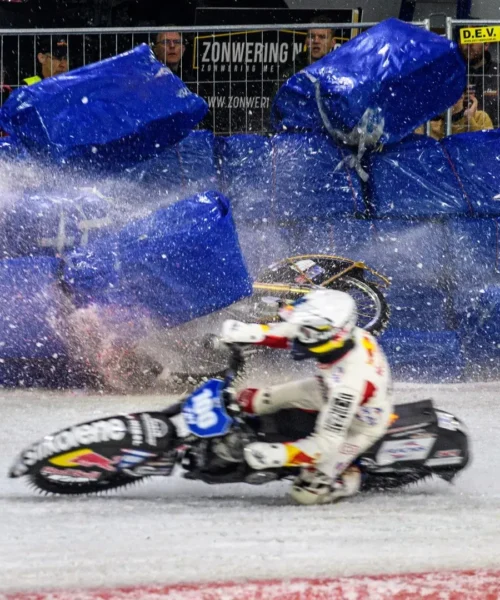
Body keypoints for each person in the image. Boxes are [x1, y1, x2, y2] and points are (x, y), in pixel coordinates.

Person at [221, 289, 392, 505]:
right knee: (251, 400)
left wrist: (280, 454)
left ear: (333, 335)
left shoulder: (349, 384)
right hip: (326, 389)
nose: (302, 335)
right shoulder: (341, 336)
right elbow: (294, 331)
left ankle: (353, 473)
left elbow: (327, 442)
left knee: (307, 493)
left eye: (308, 332)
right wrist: (250, 332)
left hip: (360, 425)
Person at [416, 86, 493, 140]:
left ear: (462, 96)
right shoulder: (427, 125)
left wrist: (470, 121)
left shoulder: (480, 117)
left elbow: (485, 150)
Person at [280, 15, 336, 81]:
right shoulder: (291, 74)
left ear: (332, 43)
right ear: (306, 41)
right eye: (311, 36)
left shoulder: (338, 73)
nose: (316, 41)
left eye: (322, 37)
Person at [459, 39, 499, 128]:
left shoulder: (497, 74)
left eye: (473, 37)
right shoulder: (450, 75)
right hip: (457, 137)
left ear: (486, 44)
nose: (468, 44)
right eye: (464, 37)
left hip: (494, 138)